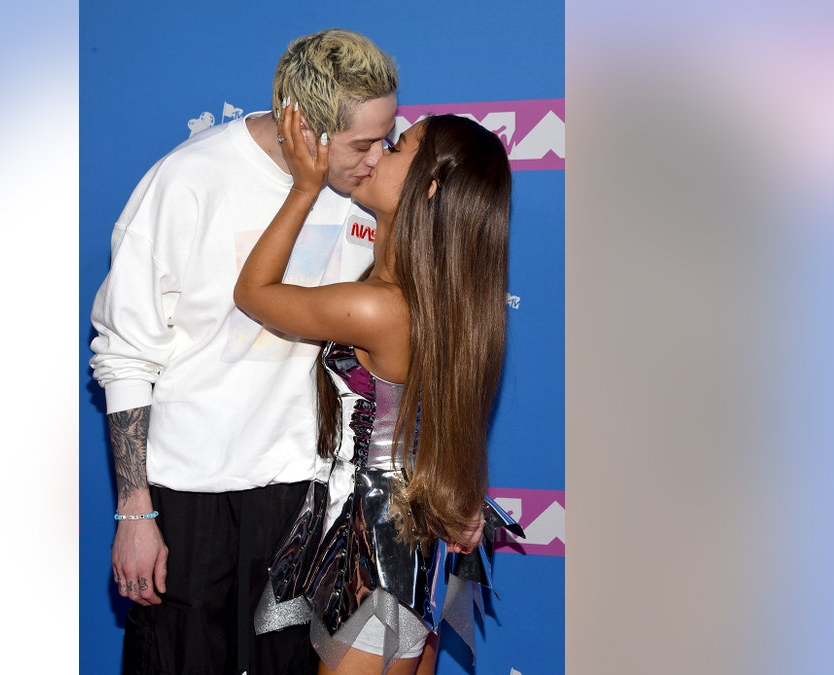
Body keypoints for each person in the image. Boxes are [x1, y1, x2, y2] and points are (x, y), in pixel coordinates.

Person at [88, 29, 399, 674]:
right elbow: (124, 353)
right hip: (192, 492)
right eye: (362, 143)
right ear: (304, 130)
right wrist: (135, 509)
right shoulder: (190, 180)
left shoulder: (369, 195)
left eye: (387, 136)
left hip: (305, 496)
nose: (379, 157)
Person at [234, 102, 524, 674]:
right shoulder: (442, 302)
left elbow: (253, 293)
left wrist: (304, 187)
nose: (376, 153)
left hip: (374, 554)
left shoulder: (379, 306)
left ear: (432, 186)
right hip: (409, 541)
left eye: (396, 148)